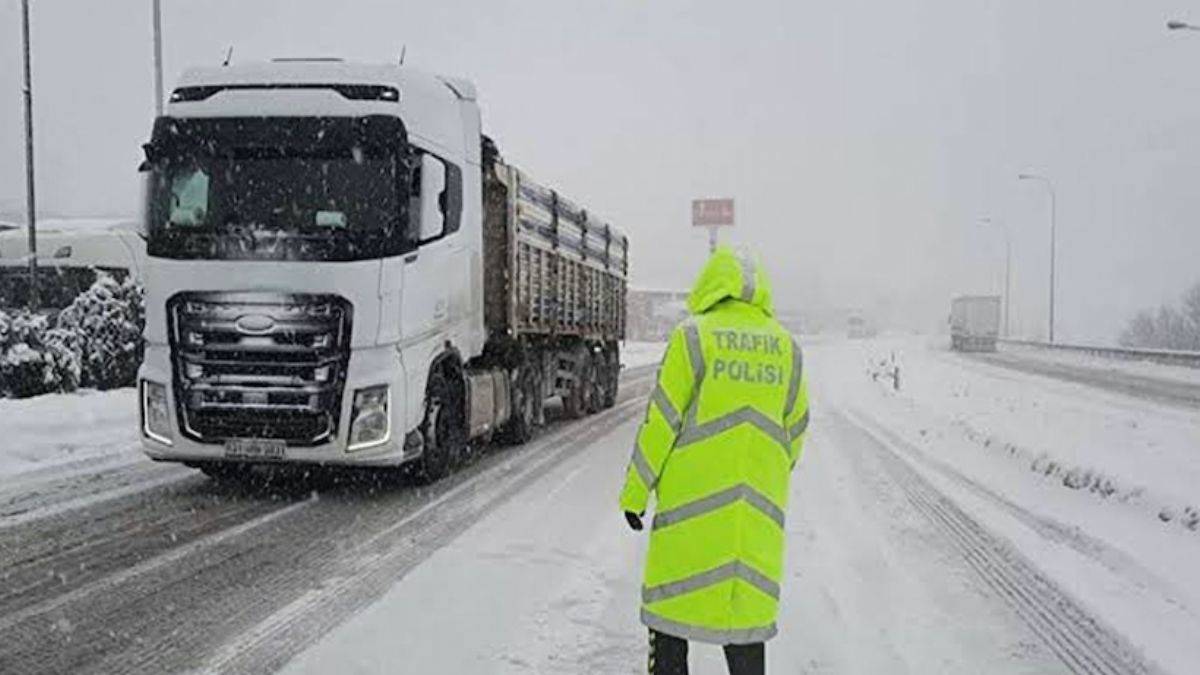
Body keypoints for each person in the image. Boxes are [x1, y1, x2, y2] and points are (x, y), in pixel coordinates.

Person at [619, 246, 809, 675]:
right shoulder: (787, 348)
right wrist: (762, 474)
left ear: (711, 285)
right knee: (745, 628)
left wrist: (635, 494)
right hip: (752, 524)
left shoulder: (693, 337)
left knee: (671, 616)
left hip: (688, 521)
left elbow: (660, 423)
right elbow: (795, 431)